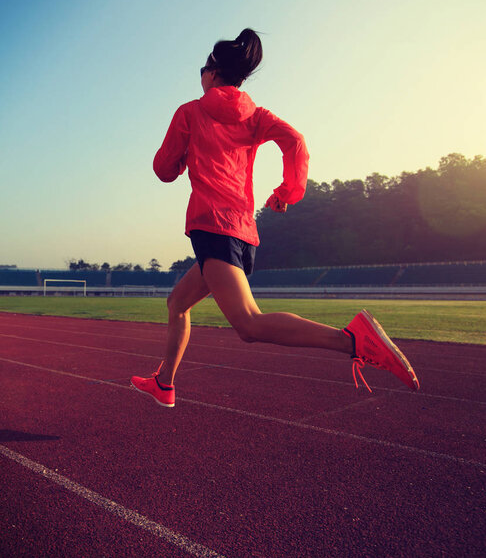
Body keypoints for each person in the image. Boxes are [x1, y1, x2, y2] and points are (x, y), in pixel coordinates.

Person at [131, 28, 419, 408]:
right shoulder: (256, 116)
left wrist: (183, 155)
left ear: (213, 74)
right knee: (177, 304)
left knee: (249, 324)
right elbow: (296, 141)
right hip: (241, 230)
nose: (200, 75)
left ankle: (352, 339)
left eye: (203, 68)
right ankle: (164, 383)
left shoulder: (191, 112)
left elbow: (163, 170)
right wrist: (288, 191)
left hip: (212, 227)